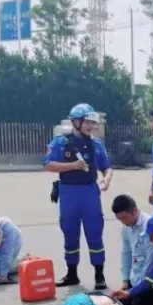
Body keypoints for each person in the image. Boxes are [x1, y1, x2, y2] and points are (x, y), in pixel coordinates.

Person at [44, 103, 113, 289]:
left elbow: (107, 167)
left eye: (92, 122)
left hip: (90, 193)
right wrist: (73, 166)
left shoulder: (96, 145)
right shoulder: (61, 142)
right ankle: (72, 274)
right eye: (87, 122)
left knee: (95, 233)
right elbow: (48, 164)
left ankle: (99, 275)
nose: (90, 126)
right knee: (70, 233)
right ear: (76, 122)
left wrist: (106, 179)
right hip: (69, 193)